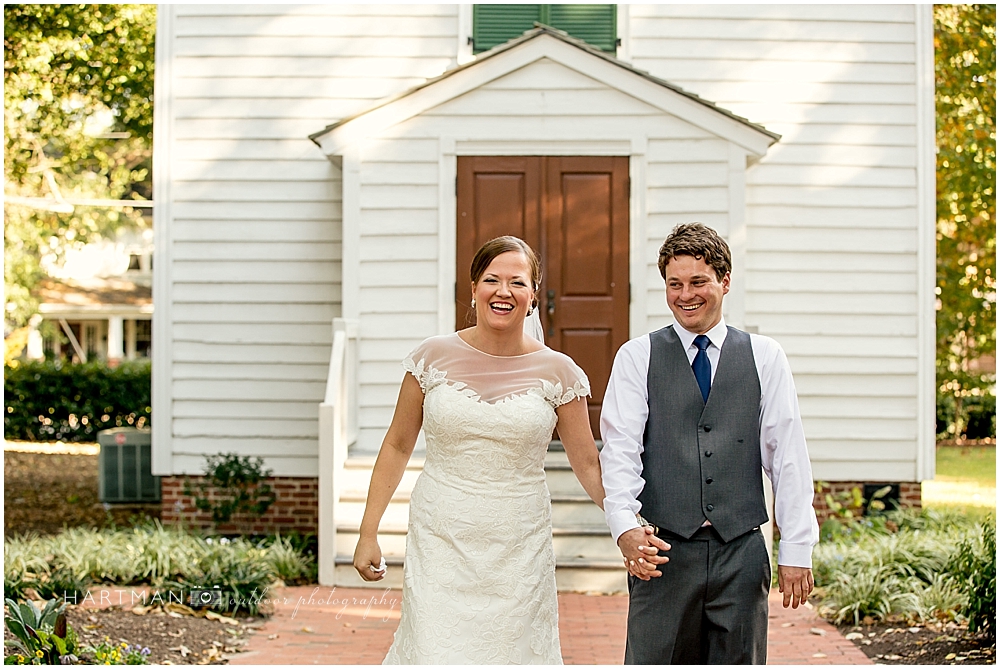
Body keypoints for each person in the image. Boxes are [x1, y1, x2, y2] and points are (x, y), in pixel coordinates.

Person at [353, 235, 605, 664]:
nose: (503, 292)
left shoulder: (560, 372)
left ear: (532, 296)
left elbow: (587, 463)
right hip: (441, 536)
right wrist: (367, 531)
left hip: (519, 544)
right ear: (473, 288)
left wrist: (629, 524)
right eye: (492, 279)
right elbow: (397, 445)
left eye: (517, 282)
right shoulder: (431, 358)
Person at [600, 222, 820, 664]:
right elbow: (621, 450)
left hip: (740, 552)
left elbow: (787, 455)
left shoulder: (765, 356)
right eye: (674, 284)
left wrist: (795, 546)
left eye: (698, 282)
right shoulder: (636, 356)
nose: (686, 295)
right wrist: (624, 526)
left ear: (725, 280)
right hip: (661, 552)